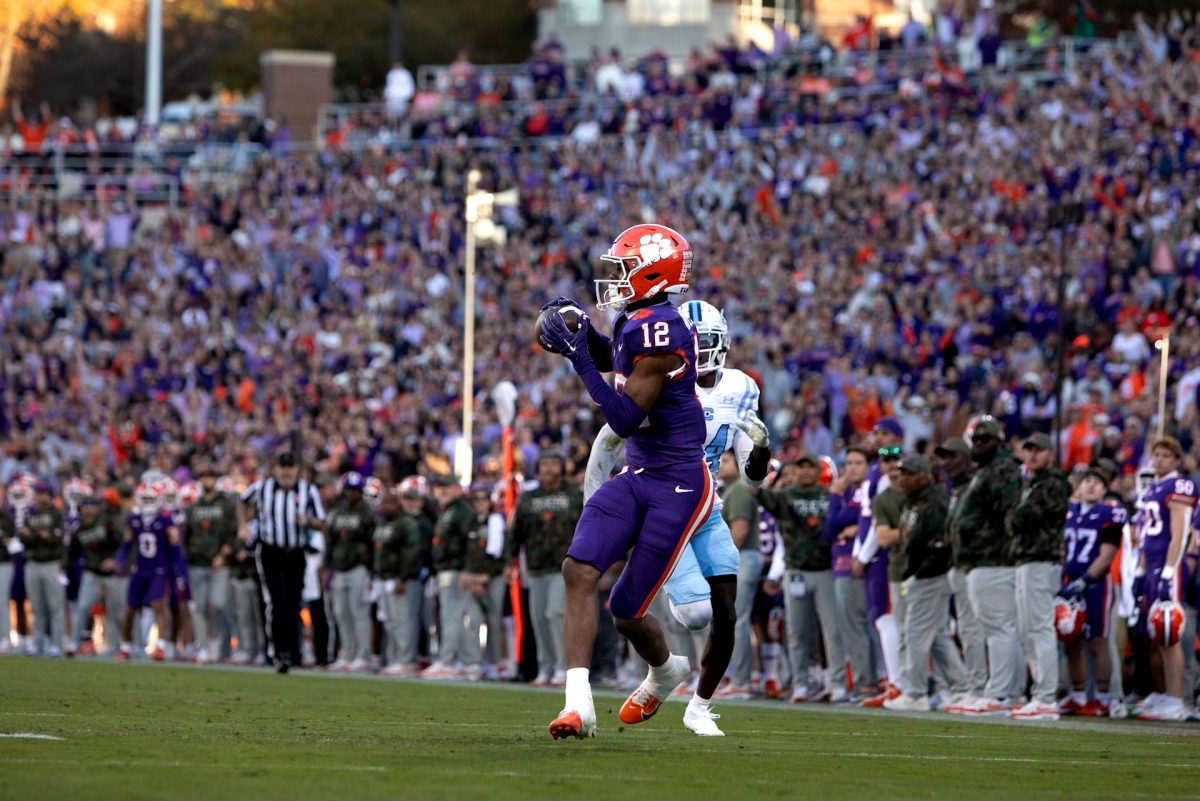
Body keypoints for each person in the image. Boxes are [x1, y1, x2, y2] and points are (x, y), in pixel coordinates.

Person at [538, 223, 715, 740]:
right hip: (638, 472)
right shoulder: (639, 319)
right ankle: (577, 706)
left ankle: (666, 670)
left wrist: (576, 356)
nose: (613, 278)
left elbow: (623, 418)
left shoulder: (660, 330)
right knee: (578, 570)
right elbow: (613, 361)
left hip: (678, 482)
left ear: (651, 271)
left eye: (622, 267)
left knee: (626, 610)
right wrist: (578, 335)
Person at [580, 299, 770, 733]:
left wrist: (761, 447)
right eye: (695, 340)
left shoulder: (741, 387)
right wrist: (596, 503)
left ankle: (700, 706)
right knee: (694, 615)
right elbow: (609, 439)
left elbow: (753, 477)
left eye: (708, 341)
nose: (700, 349)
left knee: (725, 610)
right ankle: (661, 671)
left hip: (707, 506)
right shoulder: (661, 376)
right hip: (663, 501)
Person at [945, 417, 1024, 716]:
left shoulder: (1002, 471)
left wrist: (979, 539)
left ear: (998, 442)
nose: (978, 445)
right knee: (999, 628)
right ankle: (1007, 692)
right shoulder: (991, 470)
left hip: (993, 558)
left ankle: (999, 693)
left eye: (984, 440)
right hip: (984, 559)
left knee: (998, 628)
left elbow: (1005, 515)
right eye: (975, 440)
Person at [884, 455, 967, 711]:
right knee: (938, 634)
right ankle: (960, 688)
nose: (903, 479)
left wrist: (921, 572)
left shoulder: (935, 501)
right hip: (920, 574)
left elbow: (940, 544)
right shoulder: (912, 501)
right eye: (902, 474)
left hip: (930, 575)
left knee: (915, 633)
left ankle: (915, 692)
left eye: (909, 474)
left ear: (924, 475)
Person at [757, 454, 842, 703]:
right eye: (800, 467)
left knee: (831, 631)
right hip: (795, 570)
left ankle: (837, 683)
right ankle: (801, 683)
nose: (805, 472)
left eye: (809, 467)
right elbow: (756, 492)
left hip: (825, 569)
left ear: (817, 471)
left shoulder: (829, 495)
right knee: (796, 631)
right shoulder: (786, 496)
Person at [238, 452, 326, 674]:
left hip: (296, 552)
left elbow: (322, 522)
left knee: (293, 602)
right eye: (283, 467)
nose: (286, 471)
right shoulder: (262, 488)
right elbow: (241, 499)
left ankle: (293, 651)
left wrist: (308, 521)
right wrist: (243, 525)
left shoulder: (308, 490)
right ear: (275, 469)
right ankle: (279, 653)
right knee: (277, 600)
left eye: (290, 467)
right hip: (271, 552)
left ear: (297, 469)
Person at [1008, 433, 1072, 721]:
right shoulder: (1030, 483)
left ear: (1050, 454)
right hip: (1025, 557)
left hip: (1041, 558)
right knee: (1025, 627)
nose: (1032, 456)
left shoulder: (1053, 484)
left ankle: (1046, 697)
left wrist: (1014, 516)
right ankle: (1039, 694)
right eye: (1028, 450)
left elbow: (1021, 518)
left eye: (1038, 451)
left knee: (1038, 626)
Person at [1131, 436, 1195, 722]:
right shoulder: (1153, 488)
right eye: (1156, 454)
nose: (1159, 459)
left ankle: (1176, 699)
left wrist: (1169, 570)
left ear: (1176, 460)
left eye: (1166, 455)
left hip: (1169, 564)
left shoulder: (1177, 485)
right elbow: (1146, 536)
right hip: (1152, 562)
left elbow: (1179, 533)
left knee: (1169, 632)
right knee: (1152, 634)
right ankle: (1161, 694)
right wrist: (1141, 571)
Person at [508, 452, 583, 687]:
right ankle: (545, 667)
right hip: (535, 566)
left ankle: (563, 667)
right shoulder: (528, 498)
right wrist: (509, 561)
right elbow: (516, 532)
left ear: (562, 468)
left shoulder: (574, 495)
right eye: (545, 464)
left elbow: (585, 526)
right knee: (538, 618)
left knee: (555, 614)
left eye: (554, 464)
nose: (549, 469)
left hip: (564, 565)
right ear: (537, 469)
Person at [1057, 465, 1125, 717]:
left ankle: (1103, 698)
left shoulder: (1110, 513)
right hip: (1070, 580)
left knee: (1097, 640)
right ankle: (1076, 695)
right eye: (1088, 480)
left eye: (1098, 482)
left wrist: (1085, 579)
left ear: (1106, 489)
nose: (1092, 485)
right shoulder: (1069, 511)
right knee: (1070, 640)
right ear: (1079, 485)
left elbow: (1107, 555)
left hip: (1096, 584)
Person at [853, 418, 904, 706]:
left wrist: (862, 554)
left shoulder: (890, 470)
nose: (879, 438)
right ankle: (893, 680)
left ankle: (897, 682)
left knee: (885, 618)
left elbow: (879, 520)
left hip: (881, 554)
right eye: (877, 433)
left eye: (885, 433)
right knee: (880, 618)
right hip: (872, 552)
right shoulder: (876, 468)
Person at [936, 437, 987, 707]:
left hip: (975, 563)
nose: (947, 463)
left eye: (952, 457)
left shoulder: (976, 484)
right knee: (967, 629)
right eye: (944, 458)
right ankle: (975, 686)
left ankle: (981, 688)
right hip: (958, 563)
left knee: (978, 628)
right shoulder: (954, 487)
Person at [823, 446, 872, 702]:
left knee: (858, 627)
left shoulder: (866, 491)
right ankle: (865, 681)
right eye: (849, 462)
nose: (852, 467)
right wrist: (834, 495)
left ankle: (867, 683)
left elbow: (848, 517)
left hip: (858, 566)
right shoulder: (845, 492)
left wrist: (850, 523)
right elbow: (829, 529)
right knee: (850, 627)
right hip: (840, 564)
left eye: (858, 462)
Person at [116, 481, 183, 661]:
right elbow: (127, 543)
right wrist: (120, 562)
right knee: (130, 608)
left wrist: (178, 571)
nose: (147, 502)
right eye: (144, 498)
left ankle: (160, 645)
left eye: (150, 499)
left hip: (159, 569)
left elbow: (175, 548)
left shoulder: (165, 518)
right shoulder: (134, 518)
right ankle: (125, 646)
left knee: (158, 606)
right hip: (140, 568)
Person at [183, 462, 238, 663]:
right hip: (197, 563)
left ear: (215, 481)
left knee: (218, 605)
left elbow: (234, 532)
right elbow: (186, 536)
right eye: (204, 477)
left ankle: (217, 642)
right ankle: (203, 647)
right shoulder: (193, 508)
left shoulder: (225, 504)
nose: (207, 480)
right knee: (199, 608)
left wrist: (224, 554)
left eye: (211, 477)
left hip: (219, 564)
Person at [323, 472, 377, 673]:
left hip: (359, 567)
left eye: (355, 490)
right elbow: (330, 540)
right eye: (349, 490)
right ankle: (347, 653)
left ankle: (363, 656)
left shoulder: (367, 513)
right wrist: (327, 565)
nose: (352, 494)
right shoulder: (337, 511)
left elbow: (373, 542)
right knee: (341, 613)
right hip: (339, 568)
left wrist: (372, 569)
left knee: (359, 612)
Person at [423, 476, 475, 679]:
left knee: (452, 615)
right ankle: (457, 659)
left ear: (456, 488)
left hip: (456, 569)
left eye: (446, 487)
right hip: (446, 569)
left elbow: (470, 542)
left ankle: (449, 660)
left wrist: (466, 570)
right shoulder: (448, 510)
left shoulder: (462, 511)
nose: (442, 491)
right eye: (439, 487)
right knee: (449, 614)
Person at [375, 485, 426, 676]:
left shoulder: (406, 523)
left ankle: (407, 660)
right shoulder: (383, 523)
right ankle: (396, 659)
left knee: (404, 620)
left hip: (401, 578)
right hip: (385, 577)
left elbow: (412, 553)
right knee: (391, 622)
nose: (385, 506)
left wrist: (403, 577)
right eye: (384, 502)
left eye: (390, 502)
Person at [68, 495, 126, 656]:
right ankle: (74, 642)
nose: (88, 509)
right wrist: (63, 567)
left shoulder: (107, 522)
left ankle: (122, 645)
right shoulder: (79, 528)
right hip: (92, 571)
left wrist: (114, 560)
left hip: (111, 573)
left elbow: (122, 543)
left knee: (117, 610)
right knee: (83, 606)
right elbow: (72, 552)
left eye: (91, 505)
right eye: (85, 506)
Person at [18, 481, 67, 655]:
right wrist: (39, 535)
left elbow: (57, 538)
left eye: (43, 493)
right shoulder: (30, 512)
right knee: (36, 606)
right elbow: (23, 538)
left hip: (51, 562)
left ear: (49, 494)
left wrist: (38, 535)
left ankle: (57, 644)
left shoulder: (56, 513)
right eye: (38, 493)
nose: (40, 496)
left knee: (55, 606)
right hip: (33, 562)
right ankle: (37, 643)